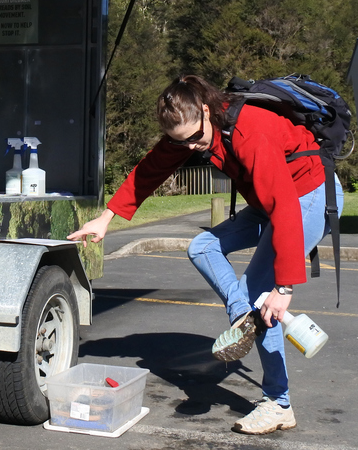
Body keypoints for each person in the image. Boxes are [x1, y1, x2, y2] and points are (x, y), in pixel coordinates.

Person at [68, 74, 342, 435]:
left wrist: (285, 287)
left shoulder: (250, 131)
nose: (193, 146)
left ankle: (279, 403)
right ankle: (245, 315)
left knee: (259, 293)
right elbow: (149, 171)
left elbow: (286, 207)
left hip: (309, 197)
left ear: (207, 111)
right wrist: (105, 220)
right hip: (269, 202)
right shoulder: (189, 132)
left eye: (196, 137)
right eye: (182, 141)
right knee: (203, 246)